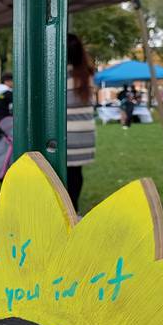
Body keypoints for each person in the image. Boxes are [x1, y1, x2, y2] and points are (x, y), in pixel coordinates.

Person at [66, 34, 96, 212]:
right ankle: (73, 207)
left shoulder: (59, 75)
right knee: (76, 173)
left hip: (68, 133)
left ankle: (67, 210)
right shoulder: (87, 75)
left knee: (62, 174)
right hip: (85, 132)